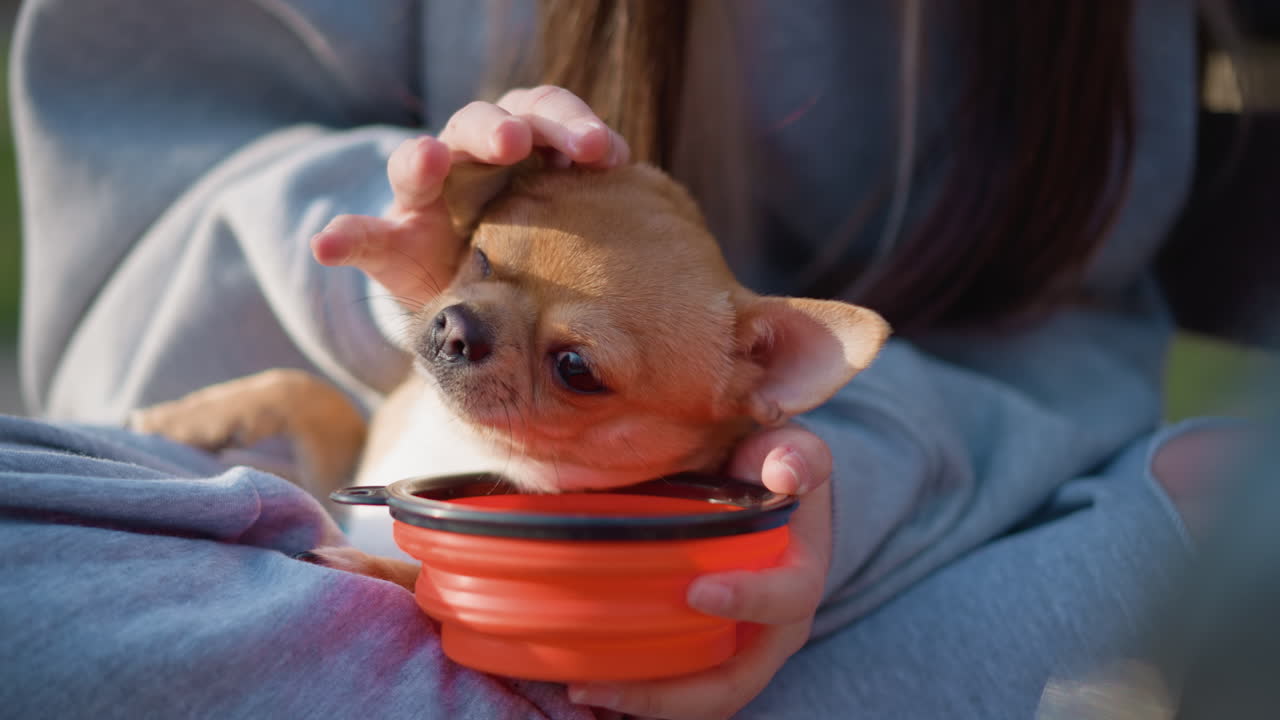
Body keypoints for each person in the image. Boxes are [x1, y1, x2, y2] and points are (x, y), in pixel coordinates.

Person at [1, 0, 1239, 718]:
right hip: (319, 516)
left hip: (909, 555)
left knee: (1201, 527)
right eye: (490, 265)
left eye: (574, 367)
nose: (466, 330)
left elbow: (1063, 362)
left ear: (758, 375)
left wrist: (827, 497)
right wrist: (408, 250)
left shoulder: (768, 371)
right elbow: (149, 189)